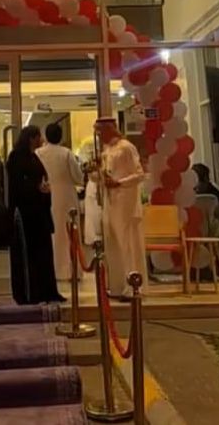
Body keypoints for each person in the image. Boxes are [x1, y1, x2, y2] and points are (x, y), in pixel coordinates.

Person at [6, 124, 62, 304]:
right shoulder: (16, 157)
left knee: (43, 252)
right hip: (26, 213)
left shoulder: (33, 156)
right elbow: (17, 185)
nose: (42, 140)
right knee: (29, 253)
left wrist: (44, 189)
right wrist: (36, 189)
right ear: (31, 138)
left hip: (39, 212)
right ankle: (30, 293)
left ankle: (48, 291)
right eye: (39, 136)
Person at [94, 117, 145, 300]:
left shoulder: (126, 147)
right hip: (111, 201)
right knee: (112, 242)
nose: (99, 136)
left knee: (127, 243)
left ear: (109, 130)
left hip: (126, 202)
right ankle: (116, 286)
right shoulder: (107, 150)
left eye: (101, 132)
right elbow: (103, 177)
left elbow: (139, 174)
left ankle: (132, 287)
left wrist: (119, 182)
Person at [37, 122, 84, 281]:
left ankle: (51, 270)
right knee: (69, 233)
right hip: (67, 196)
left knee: (50, 233)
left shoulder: (39, 153)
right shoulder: (66, 153)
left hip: (46, 196)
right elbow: (78, 177)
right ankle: (71, 270)